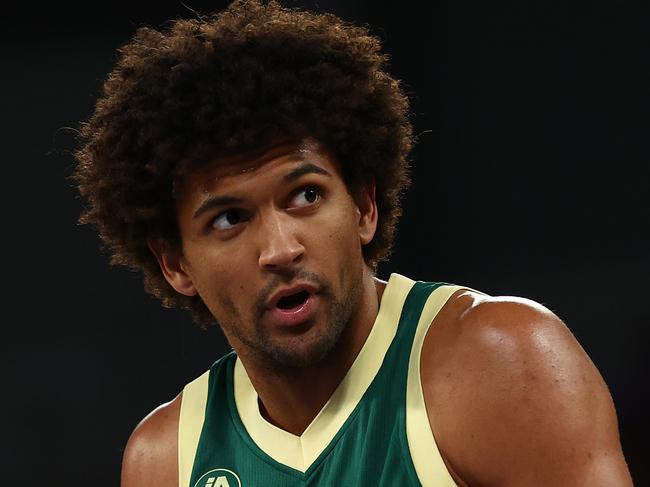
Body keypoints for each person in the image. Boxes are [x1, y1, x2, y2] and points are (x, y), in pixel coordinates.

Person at [74, 1, 632, 485]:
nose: (280, 248)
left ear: (364, 207)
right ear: (175, 264)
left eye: (305, 195)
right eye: (228, 219)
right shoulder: (166, 460)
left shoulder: (503, 363)